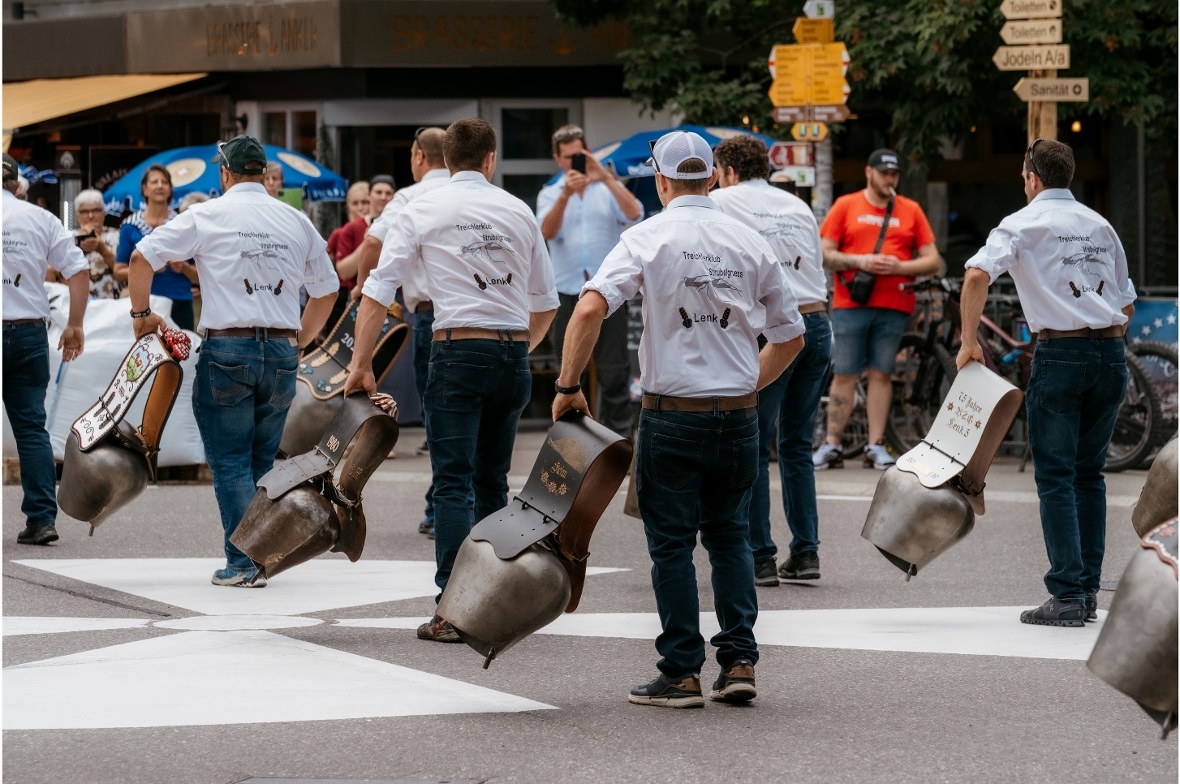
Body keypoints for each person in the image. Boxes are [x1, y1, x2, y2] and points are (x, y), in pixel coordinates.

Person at [553, 131, 805, 708]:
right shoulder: (748, 241)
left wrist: (568, 386)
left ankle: (682, 671)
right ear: (712, 177)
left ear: (661, 182)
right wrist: (746, 385)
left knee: (670, 546)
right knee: (731, 537)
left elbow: (590, 306)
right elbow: (791, 336)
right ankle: (739, 661)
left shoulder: (647, 236)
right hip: (737, 416)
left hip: (671, 415)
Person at [345, 118, 557, 641]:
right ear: (490, 160)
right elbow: (548, 303)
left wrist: (361, 364)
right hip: (511, 354)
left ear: (443, 160)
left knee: (454, 482)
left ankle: (452, 605)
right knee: (492, 480)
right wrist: (514, 348)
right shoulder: (518, 209)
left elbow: (377, 289)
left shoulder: (419, 207)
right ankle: (496, 596)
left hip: (457, 349)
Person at [128, 135, 337, 587]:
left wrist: (142, 315)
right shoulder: (295, 219)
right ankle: (259, 555)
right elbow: (328, 288)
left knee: (229, 461)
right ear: (263, 174)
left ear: (223, 174)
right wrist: (300, 338)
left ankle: (244, 561)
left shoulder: (207, 214)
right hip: (281, 349)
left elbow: (141, 256)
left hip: (228, 348)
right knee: (261, 461)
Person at [957, 138, 1135, 627]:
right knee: (1088, 474)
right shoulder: (1101, 224)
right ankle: (1087, 591)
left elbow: (976, 276)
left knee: (1055, 476)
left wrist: (969, 342)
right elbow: (1127, 303)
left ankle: (1067, 594)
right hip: (1111, 352)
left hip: (1062, 354)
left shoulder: (1021, 221)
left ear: (1032, 178)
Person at [710, 136, 832, 586]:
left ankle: (760, 555)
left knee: (755, 445)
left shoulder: (720, 201)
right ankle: (806, 551)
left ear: (727, 171)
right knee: (798, 445)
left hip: (772, 328)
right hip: (817, 321)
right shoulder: (797, 206)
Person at [814, 148, 940, 470]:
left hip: (894, 305)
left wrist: (900, 266)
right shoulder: (846, 205)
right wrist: (861, 261)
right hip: (851, 303)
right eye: (884, 173)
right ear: (868, 173)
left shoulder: (910, 209)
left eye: (894, 174)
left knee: (882, 374)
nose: (890, 179)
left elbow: (933, 260)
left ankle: (874, 445)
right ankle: (832, 445)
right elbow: (824, 252)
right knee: (845, 373)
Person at [353, 126, 451, 538]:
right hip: (489, 319)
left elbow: (374, 243)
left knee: (440, 416)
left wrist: (362, 287)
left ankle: (442, 506)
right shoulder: (489, 198)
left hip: (432, 316)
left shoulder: (411, 197)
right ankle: (460, 502)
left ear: (417, 157)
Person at [1, 153, 90, 545]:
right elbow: (79, 270)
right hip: (26, 333)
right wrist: (74, 324)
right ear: (17, 184)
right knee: (31, 429)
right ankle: (41, 519)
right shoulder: (40, 218)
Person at [536, 124, 643, 437]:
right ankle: (572, 436)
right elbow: (546, 232)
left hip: (608, 291)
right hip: (567, 290)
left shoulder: (605, 188)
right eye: (568, 158)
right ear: (558, 160)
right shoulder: (550, 193)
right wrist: (566, 195)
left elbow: (635, 213)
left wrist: (607, 178)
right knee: (568, 369)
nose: (574, 163)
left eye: (579, 155)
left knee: (614, 368)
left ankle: (617, 436)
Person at [114, 164, 199, 330]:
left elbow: (200, 276)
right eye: (154, 182)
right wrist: (146, 267)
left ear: (170, 189)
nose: (160, 185)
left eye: (164, 182)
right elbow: (118, 272)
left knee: (183, 355)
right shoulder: (130, 225)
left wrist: (184, 268)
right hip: (143, 305)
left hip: (180, 302)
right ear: (145, 190)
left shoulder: (184, 224)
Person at [70, 189, 122, 300]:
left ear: (104, 213)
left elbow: (124, 271)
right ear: (77, 216)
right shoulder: (68, 238)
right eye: (84, 211)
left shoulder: (118, 236)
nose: (90, 216)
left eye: (96, 210)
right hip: (78, 304)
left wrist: (101, 248)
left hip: (113, 304)